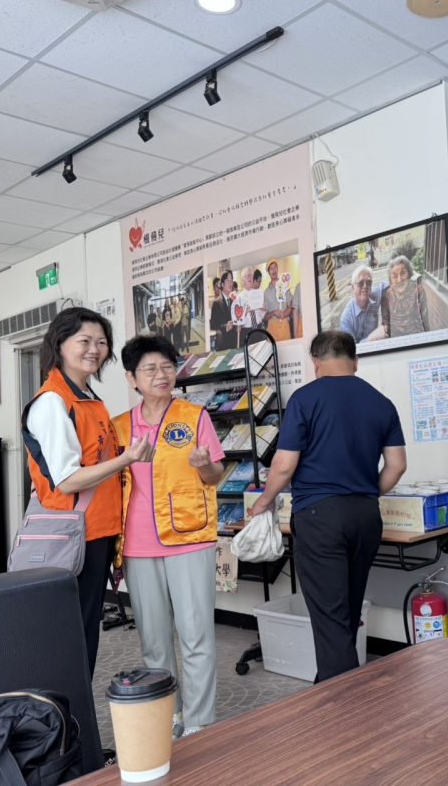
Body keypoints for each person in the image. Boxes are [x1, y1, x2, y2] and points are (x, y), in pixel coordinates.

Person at [247, 331, 407, 682]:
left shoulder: (305, 399)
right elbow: (396, 466)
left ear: (315, 362)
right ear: (355, 361)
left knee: (330, 617)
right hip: (366, 517)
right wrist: (367, 494)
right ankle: (330, 686)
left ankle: (346, 706)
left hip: (320, 518)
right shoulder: (381, 402)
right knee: (347, 611)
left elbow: (284, 465)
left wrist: (263, 502)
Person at [22, 307, 154, 678]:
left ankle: (74, 713)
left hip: (95, 531)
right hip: (74, 533)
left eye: (101, 342)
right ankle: (65, 713)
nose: (94, 349)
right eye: (84, 341)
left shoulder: (87, 398)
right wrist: (126, 459)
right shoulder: (53, 401)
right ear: (60, 344)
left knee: (82, 635)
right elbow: (67, 480)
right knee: (71, 637)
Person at [112, 334, 225, 739]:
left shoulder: (194, 417)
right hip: (138, 546)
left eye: (166, 367)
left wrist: (203, 465)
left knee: (196, 636)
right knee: (154, 642)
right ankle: (169, 716)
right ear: (132, 378)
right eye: (150, 369)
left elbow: (214, 475)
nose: (161, 375)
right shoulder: (119, 427)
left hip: (189, 538)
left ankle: (199, 721)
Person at [380, 256, 429, 338]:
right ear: (390, 280)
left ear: (409, 273)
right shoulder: (388, 293)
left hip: (416, 336)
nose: (399, 280)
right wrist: (385, 325)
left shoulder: (418, 291)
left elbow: (424, 321)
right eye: (395, 276)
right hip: (395, 337)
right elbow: (385, 318)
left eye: (403, 273)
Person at [339, 265, 386, 343]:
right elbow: (350, 347)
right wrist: (370, 339)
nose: (365, 286)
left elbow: (386, 285)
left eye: (368, 282)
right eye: (360, 283)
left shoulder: (374, 296)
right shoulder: (346, 319)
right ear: (353, 288)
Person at [232, 265, 265, 346]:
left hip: (259, 329)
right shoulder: (239, 298)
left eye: (251, 275)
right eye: (247, 275)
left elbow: (261, 316)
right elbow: (238, 323)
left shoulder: (258, 293)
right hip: (247, 331)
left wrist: (263, 310)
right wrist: (245, 313)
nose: (250, 277)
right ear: (243, 280)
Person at [263, 258, 292, 342]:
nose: (273, 270)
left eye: (275, 267)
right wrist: (273, 313)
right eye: (271, 268)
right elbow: (264, 317)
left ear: (278, 269)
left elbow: (290, 307)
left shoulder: (285, 286)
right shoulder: (266, 293)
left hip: (284, 326)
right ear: (268, 272)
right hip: (272, 330)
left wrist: (284, 314)